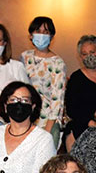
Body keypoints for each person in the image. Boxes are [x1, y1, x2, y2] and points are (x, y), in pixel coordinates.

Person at [20, 16, 66, 145]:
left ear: (51, 36)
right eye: (38, 31)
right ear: (31, 35)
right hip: (25, 119)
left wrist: (48, 129)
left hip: (48, 121)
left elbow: (58, 98)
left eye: (45, 32)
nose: (41, 35)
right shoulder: (24, 57)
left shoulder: (57, 63)